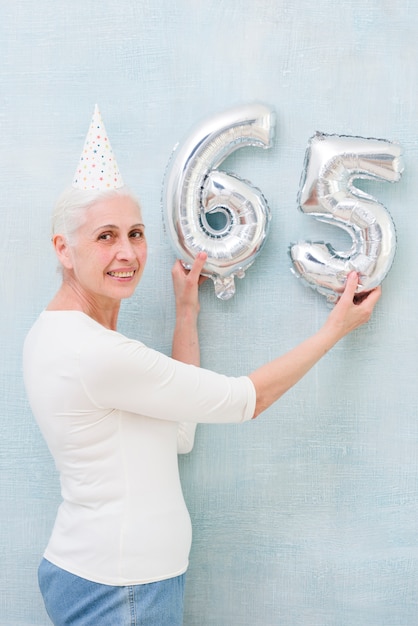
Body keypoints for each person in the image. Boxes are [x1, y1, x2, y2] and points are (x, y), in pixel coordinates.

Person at [23, 106, 381, 626]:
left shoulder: (58, 336)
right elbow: (245, 400)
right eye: (105, 236)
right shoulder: (95, 353)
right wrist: (334, 330)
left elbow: (178, 433)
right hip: (121, 590)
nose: (128, 252)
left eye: (136, 233)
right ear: (64, 248)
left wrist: (186, 312)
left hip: (116, 577)